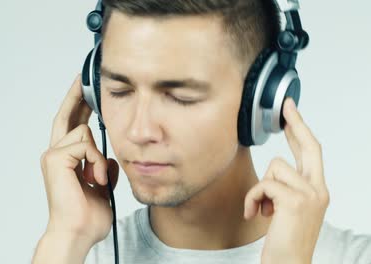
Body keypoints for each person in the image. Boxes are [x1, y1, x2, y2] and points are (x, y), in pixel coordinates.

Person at [32, 0, 371, 263]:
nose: (140, 131)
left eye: (182, 97)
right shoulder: (71, 254)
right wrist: (65, 239)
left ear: (262, 102)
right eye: (120, 91)